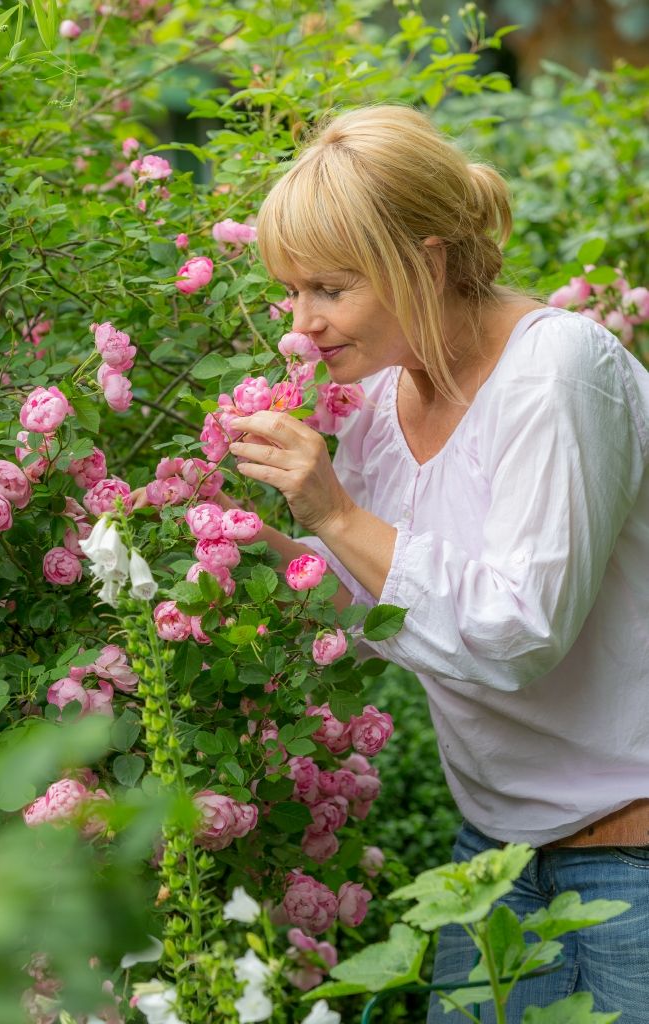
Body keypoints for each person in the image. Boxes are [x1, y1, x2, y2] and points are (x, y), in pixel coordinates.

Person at [223, 105, 649, 1022]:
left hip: (626, 867)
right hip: (491, 853)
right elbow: (386, 617)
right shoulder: (381, 395)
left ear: (426, 261)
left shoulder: (556, 374)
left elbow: (513, 632)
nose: (303, 327)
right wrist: (264, 556)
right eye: (291, 293)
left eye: (329, 289)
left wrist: (334, 510)